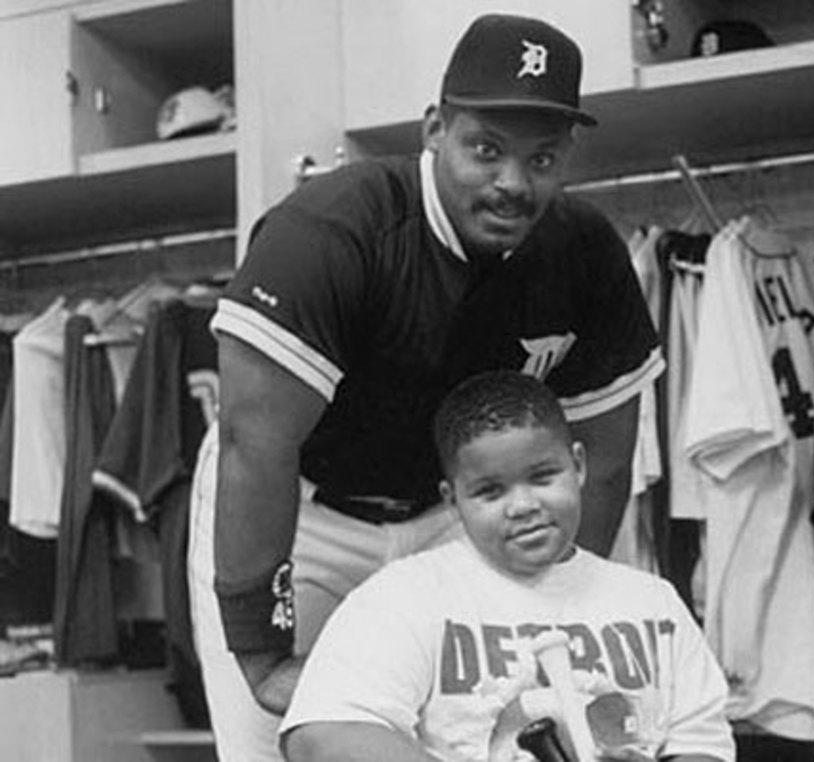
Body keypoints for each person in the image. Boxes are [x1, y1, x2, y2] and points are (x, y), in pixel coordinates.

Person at [189, 13, 664, 760]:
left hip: (453, 519)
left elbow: (600, 460)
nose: (513, 182)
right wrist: (261, 653)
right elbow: (257, 445)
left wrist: (561, 602)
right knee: (274, 748)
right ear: (435, 127)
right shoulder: (332, 228)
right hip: (303, 513)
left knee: (478, 743)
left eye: (541, 158)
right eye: (486, 149)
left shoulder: (583, 252)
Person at [279, 370, 734, 762]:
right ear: (451, 500)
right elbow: (321, 736)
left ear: (578, 465)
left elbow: (701, 743)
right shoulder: (406, 597)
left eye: (542, 477)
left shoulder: (651, 602)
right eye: (490, 492)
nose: (523, 506)